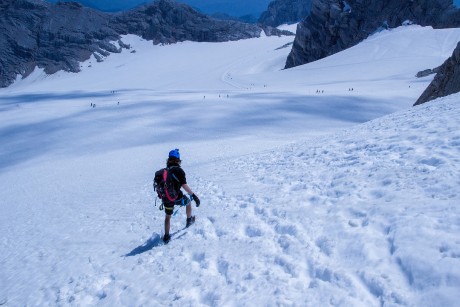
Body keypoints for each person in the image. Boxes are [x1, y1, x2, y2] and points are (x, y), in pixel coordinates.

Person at [161, 149, 200, 243]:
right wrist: (193, 195)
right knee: (188, 202)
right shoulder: (179, 170)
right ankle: (189, 220)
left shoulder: (165, 171)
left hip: (166, 198)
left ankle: (166, 237)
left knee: (168, 217)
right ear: (178, 160)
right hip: (176, 197)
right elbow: (184, 185)